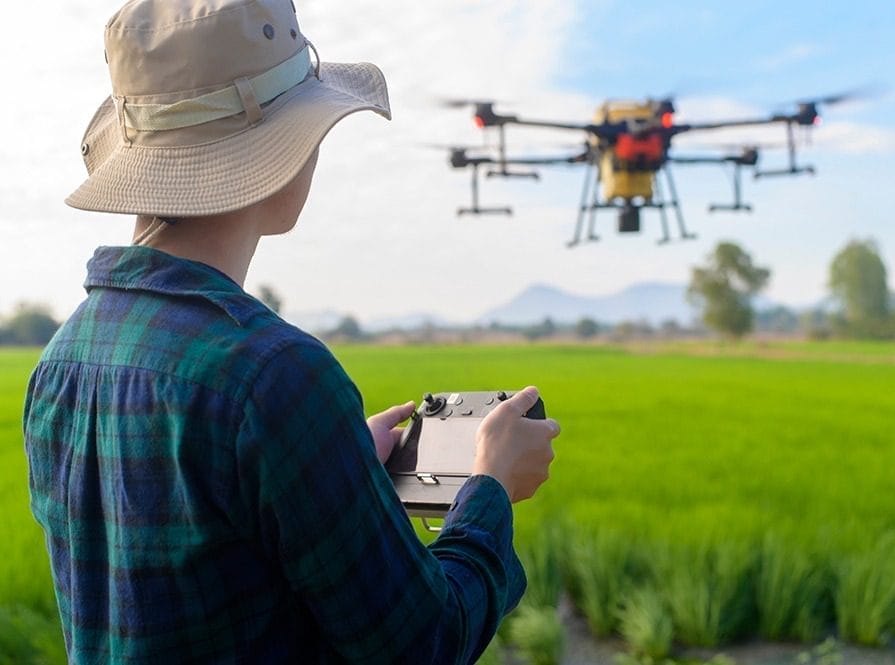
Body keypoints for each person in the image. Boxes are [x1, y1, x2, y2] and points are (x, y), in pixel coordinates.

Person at [22, 1, 560, 663]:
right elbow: (426, 641)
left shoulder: (61, 360)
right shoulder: (274, 376)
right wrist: (491, 489)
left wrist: (333, 465)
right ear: (278, 148)